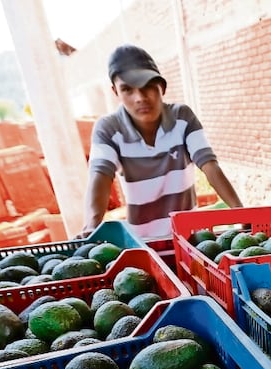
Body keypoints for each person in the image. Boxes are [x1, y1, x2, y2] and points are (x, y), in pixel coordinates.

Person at [81, 44, 243, 239]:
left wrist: (240, 212)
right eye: (127, 90)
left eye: (147, 86)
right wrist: (91, 226)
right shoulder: (109, 128)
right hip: (143, 241)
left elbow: (209, 165)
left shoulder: (182, 118)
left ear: (161, 87)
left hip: (189, 238)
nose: (140, 97)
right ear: (115, 92)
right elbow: (100, 176)